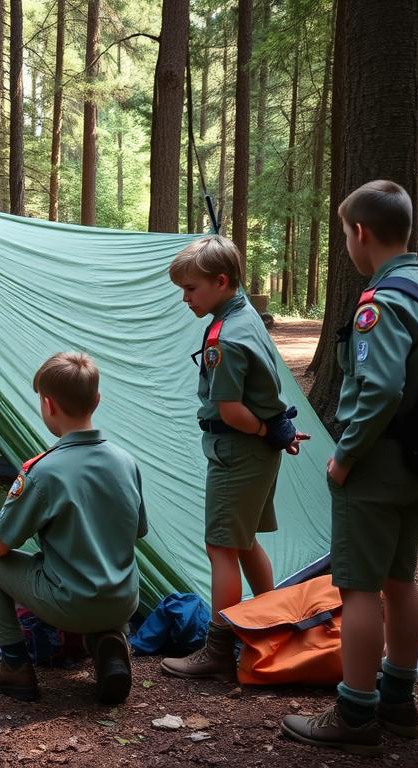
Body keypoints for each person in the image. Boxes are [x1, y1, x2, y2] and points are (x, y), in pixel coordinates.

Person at [282, 181, 418, 756]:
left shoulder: (381, 303)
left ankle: (355, 713)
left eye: (346, 231)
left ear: (361, 233)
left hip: (376, 464)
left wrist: (345, 457)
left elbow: (380, 389)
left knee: (360, 588)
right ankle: (398, 702)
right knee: (400, 582)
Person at [161, 235, 307, 681]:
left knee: (221, 546)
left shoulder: (224, 337)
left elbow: (232, 410)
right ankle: (277, 624)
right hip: (258, 454)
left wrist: (267, 430)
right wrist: (276, 433)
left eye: (191, 288)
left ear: (221, 281)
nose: (185, 298)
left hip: (236, 452)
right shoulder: (245, 313)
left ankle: (219, 648)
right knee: (243, 542)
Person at [0, 352, 148, 704]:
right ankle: (109, 645)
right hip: (125, 601)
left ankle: (14, 666)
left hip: (71, 605)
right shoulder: (127, 462)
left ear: (48, 405)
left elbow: (1, 546)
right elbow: (137, 532)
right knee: (104, 561)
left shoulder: (43, 471)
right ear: (97, 400)